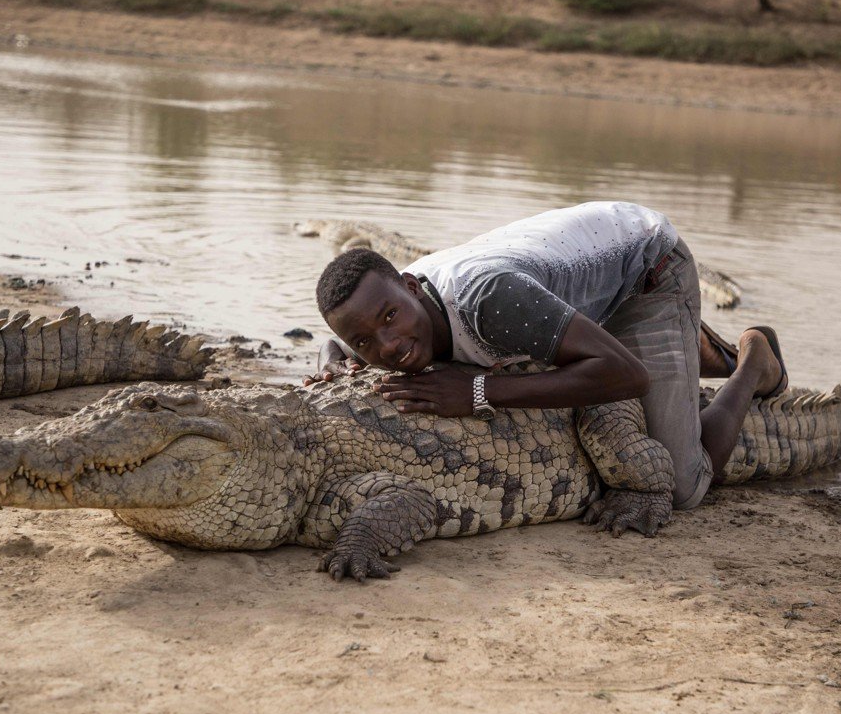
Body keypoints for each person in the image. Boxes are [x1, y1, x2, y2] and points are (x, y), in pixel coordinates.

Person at [304, 201, 787, 511]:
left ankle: (753, 360)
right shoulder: (383, 310)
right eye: (367, 342)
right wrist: (335, 364)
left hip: (646, 271)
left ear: (410, 288)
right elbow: (340, 345)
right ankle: (683, 342)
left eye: (390, 318)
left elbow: (629, 378)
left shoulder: (486, 301)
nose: (386, 348)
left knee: (684, 486)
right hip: (554, 293)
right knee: (559, 339)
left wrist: (476, 391)